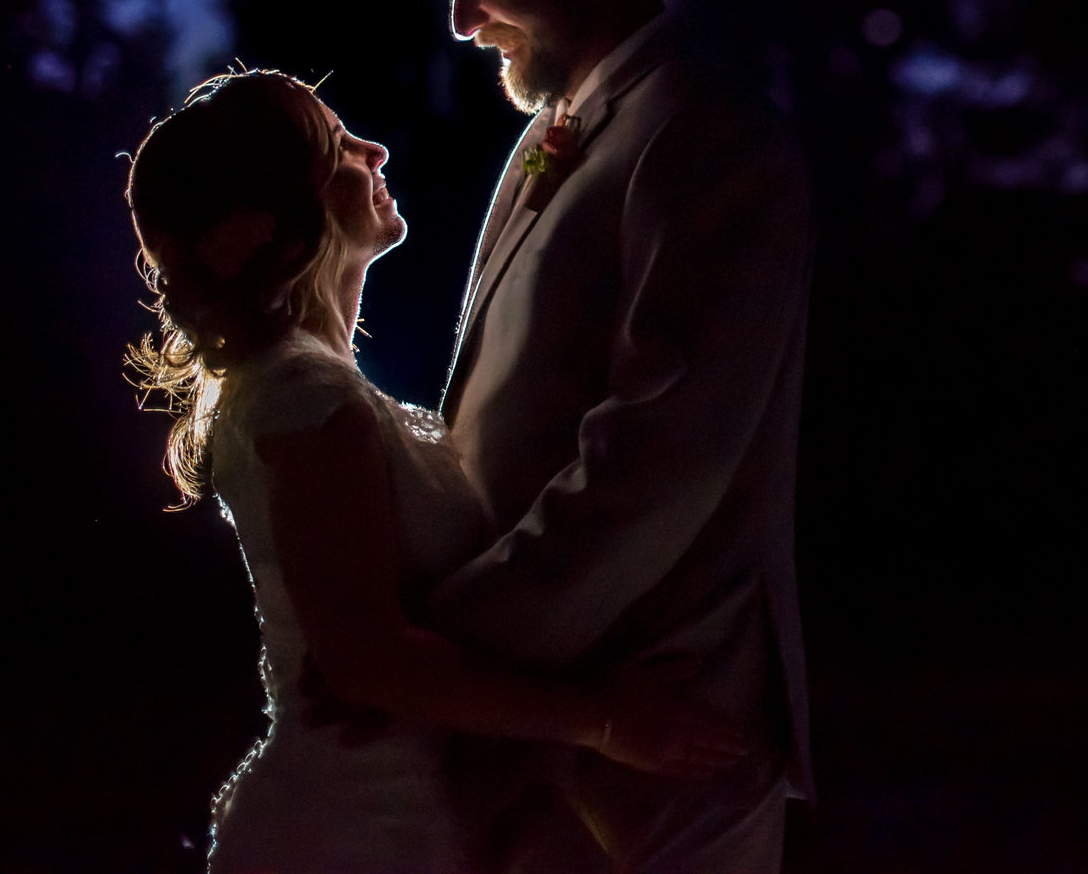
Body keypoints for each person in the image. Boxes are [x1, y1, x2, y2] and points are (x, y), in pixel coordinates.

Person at [125, 69, 748, 874]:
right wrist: (604, 721)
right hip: (354, 832)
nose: (374, 149)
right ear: (281, 217)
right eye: (337, 146)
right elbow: (367, 660)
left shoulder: (313, 383)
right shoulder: (301, 396)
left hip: (403, 818)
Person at [422, 0, 814, 873]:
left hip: (661, 741)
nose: (462, 20)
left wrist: (447, 644)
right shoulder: (549, 138)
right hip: (538, 732)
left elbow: (660, 454)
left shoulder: (706, 138)